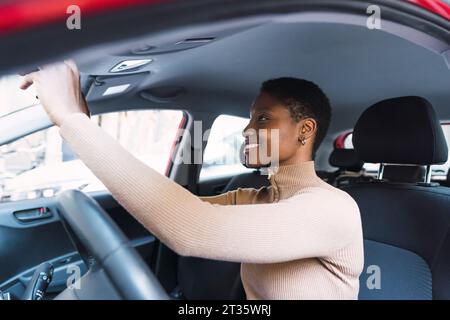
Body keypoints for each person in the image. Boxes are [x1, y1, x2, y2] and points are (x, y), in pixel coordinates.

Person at [20, 61, 364, 300]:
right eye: (249, 119)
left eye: (262, 119)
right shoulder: (255, 198)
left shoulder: (334, 209)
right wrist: (84, 122)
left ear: (305, 130)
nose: (247, 130)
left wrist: (72, 123)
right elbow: (168, 209)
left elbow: (191, 229)